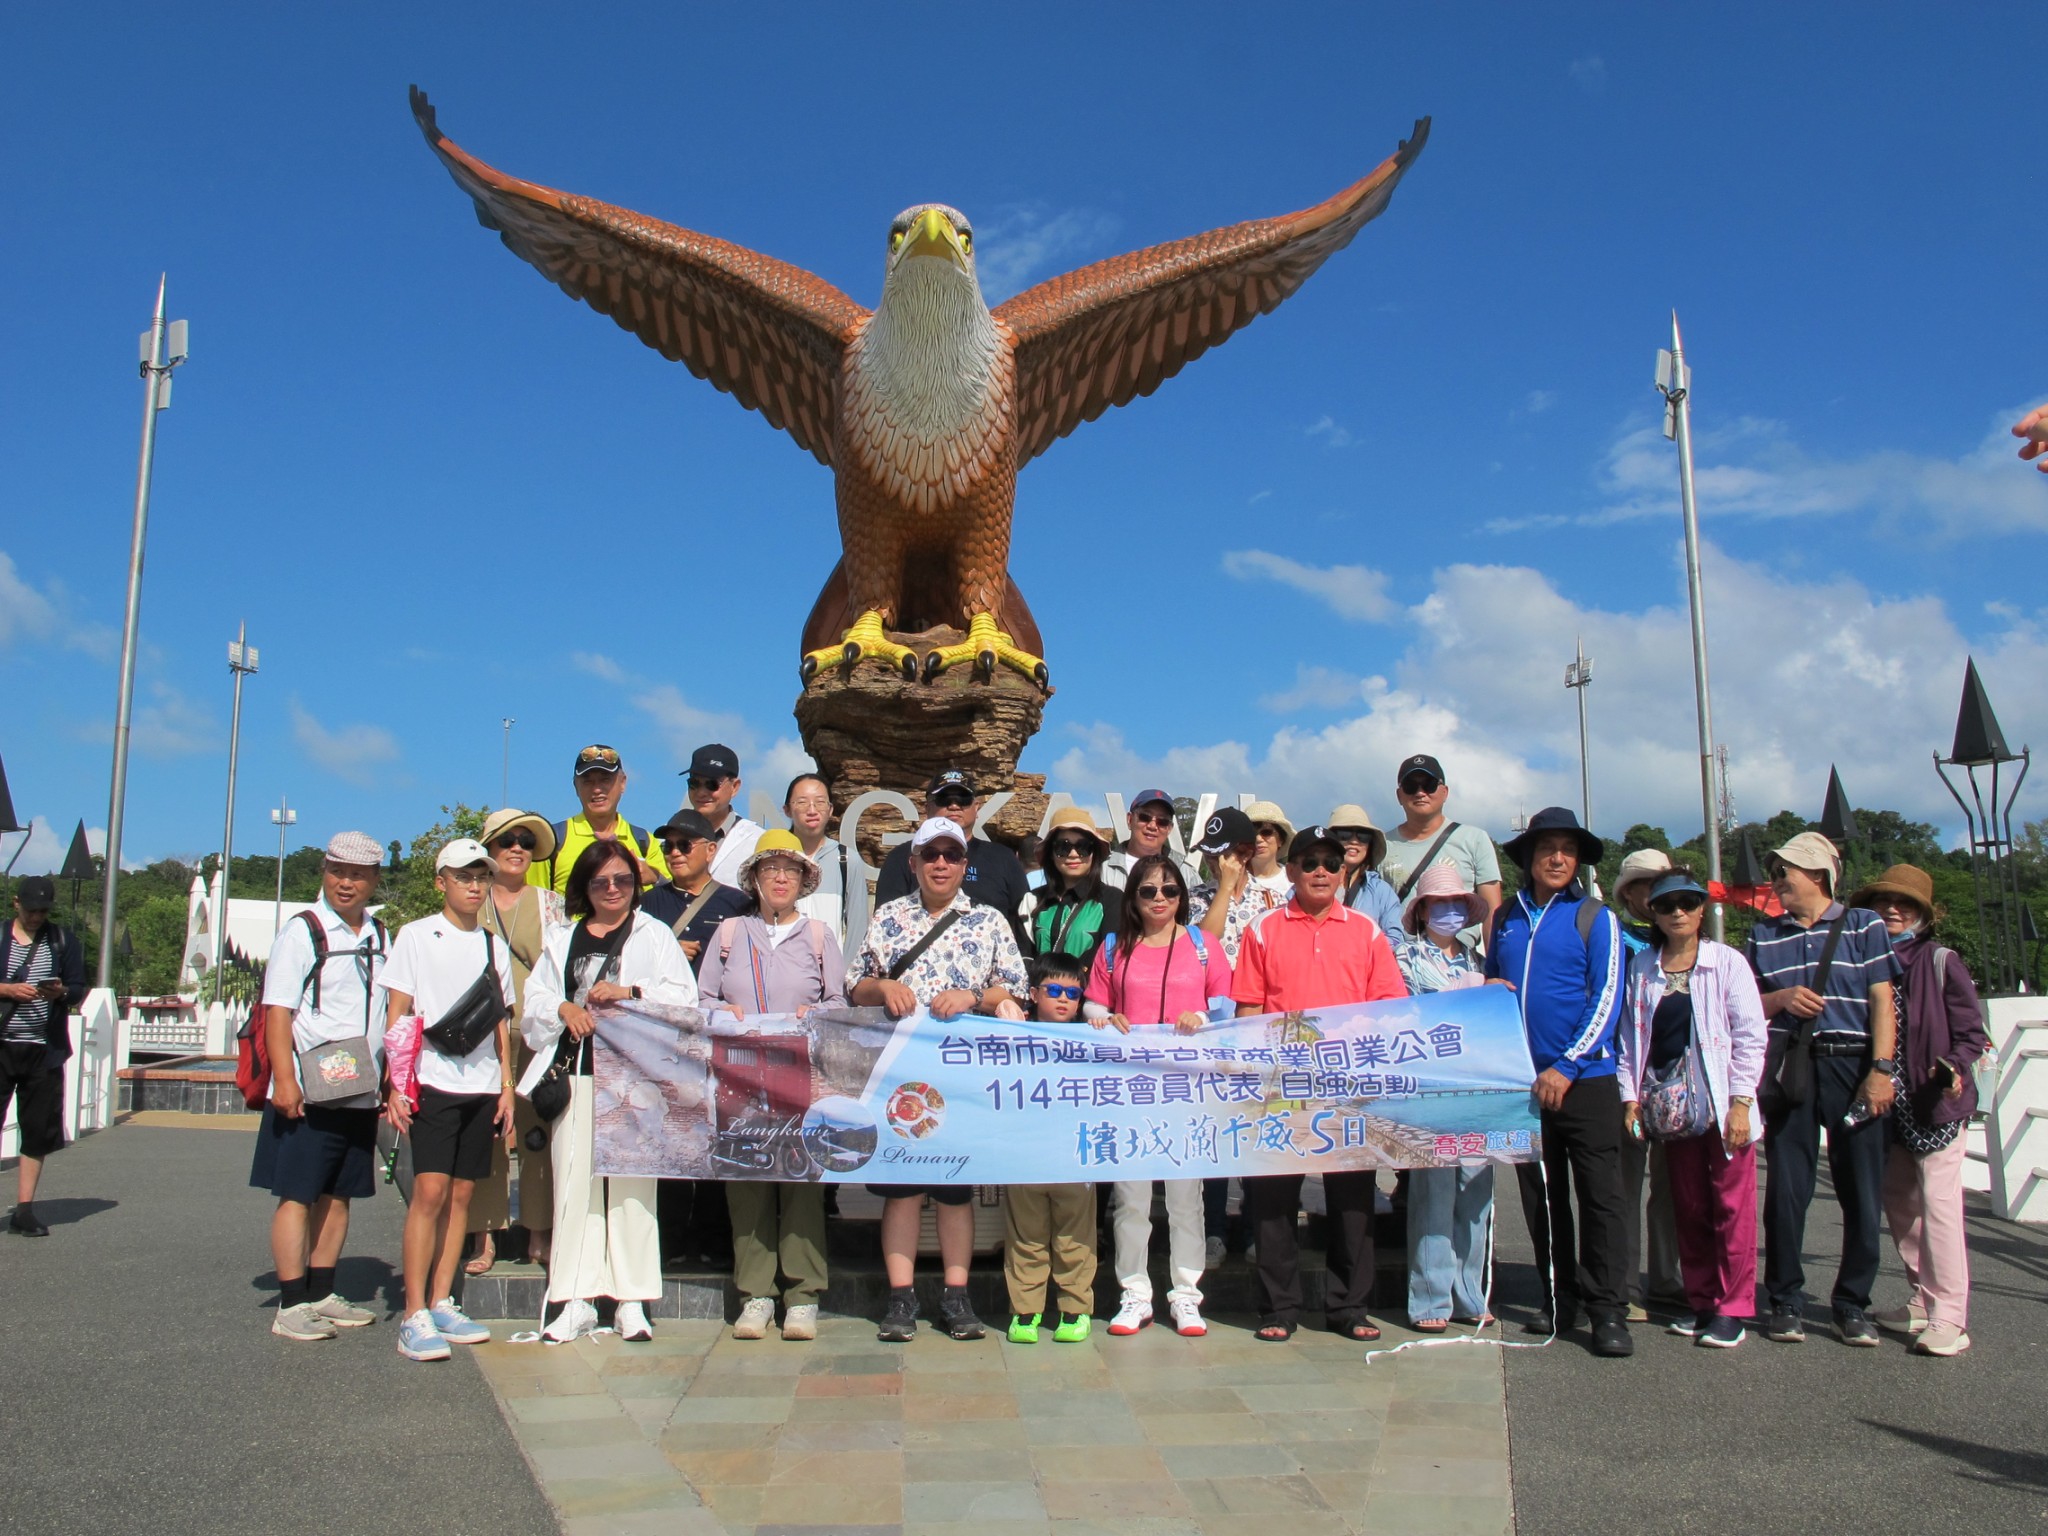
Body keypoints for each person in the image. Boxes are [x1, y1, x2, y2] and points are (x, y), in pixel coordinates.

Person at [847, 816, 1029, 1342]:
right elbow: (852, 987)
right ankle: (900, 1299)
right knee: (902, 1190)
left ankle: (957, 1296)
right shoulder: (888, 917)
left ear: (965, 864)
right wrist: (882, 988)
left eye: (952, 854)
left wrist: (974, 997)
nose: (941, 863)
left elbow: (1012, 989)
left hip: (960, 1077)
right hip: (899, 1076)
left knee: (953, 1190)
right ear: (914, 863)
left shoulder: (989, 920)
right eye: (931, 855)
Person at [1232, 826, 1407, 1343]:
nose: (1321, 872)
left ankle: (1349, 1306)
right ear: (1291, 870)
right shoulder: (1262, 929)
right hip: (1280, 1086)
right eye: (1310, 863)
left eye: (1332, 863)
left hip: (1347, 1084)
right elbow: (1248, 1009)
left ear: (1345, 871)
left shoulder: (1367, 931)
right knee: (1272, 1200)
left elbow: (1388, 1008)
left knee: (1352, 1200)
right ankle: (1278, 1308)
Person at [521, 840, 699, 1344]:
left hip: (634, 1080)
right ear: (586, 887)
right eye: (601, 881)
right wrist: (563, 1009)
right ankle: (575, 1297)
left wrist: (630, 992)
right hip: (576, 1073)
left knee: (633, 1188)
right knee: (573, 1185)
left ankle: (631, 1299)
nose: (613, 889)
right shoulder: (563, 936)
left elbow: (685, 1002)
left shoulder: (654, 934)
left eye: (622, 879)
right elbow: (534, 997)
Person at [1488, 807, 1633, 1358]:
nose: (1556, 858)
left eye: (1567, 850)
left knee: (1601, 1198)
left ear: (1578, 861)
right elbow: (1493, 989)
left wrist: (1568, 1065)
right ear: (1527, 857)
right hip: (1525, 1084)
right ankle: (1558, 1297)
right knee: (1543, 1199)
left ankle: (1607, 1310)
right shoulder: (1505, 918)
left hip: (1586, 1080)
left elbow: (1607, 997)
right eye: (1545, 847)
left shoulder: (1596, 918)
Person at [1748, 831, 1899, 1347]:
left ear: (1816, 874)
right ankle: (1785, 1299)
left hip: (1853, 1064)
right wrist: (1782, 998)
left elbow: (1883, 1001)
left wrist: (1882, 1070)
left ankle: (1852, 1303)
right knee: (1788, 1190)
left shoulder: (1864, 925)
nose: (1776, 882)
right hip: (1791, 1065)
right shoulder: (1763, 935)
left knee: (1862, 1190)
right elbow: (1748, 1006)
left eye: (1784, 871)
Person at [698, 830, 848, 1342]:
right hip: (738, 1073)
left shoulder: (818, 935)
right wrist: (723, 1010)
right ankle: (756, 1293)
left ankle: (803, 1296)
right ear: (755, 879)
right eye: (770, 869)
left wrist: (816, 1013)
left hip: (799, 1073)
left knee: (801, 1181)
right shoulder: (729, 934)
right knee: (747, 1182)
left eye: (790, 870)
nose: (780, 878)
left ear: (804, 881)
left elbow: (839, 1003)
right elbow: (701, 1001)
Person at [381, 839, 519, 1362]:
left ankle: (442, 1299)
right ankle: (413, 1310)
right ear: (442, 881)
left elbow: (501, 1020)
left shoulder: (492, 945)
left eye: (480, 876)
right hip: (433, 1080)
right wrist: (397, 1084)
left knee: (462, 1196)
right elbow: (399, 1013)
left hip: (481, 1085)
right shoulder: (416, 935)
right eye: (463, 876)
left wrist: (506, 1086)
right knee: (430, 1193)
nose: (474, 885)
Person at [1616, 871, 1766, 1350]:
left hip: (1723, 1106)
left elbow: (1750, 1036)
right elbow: (1629, 1040)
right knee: (1689, 1205)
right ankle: (1702, 1300)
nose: (1677, 912)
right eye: (1667, 905)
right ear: (1653, 915)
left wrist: (1742, 1102)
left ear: (1702, 909)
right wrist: (1629, 1097)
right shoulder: (1642, 968)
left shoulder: (1727, 963)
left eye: (1687, 902)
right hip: (1671, 1108)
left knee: (1732, 1207)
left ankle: (1734, 1306)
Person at [1085, 853, 1233, 1338]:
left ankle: (1187, 1296)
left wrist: (1204, 1019)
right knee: (1130, 1198)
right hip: (1130, 1089)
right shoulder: (1113, 948)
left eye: (1169, 891)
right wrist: (1104, 1020)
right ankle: (1135, 1294)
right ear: (1133, 897)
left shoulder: (1203, 945)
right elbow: (1092, 1005)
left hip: (1187, 1087)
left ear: (1182, 898)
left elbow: (1227, 1005)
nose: (1159, 899)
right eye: (1148, 891)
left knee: (1186, 1197)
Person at [250, 832, 389, 1342]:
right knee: (298, 1193)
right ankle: (291, 1302)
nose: (345, 882)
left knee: (340, 1192)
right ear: (323, 872)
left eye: (357, 874)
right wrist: (285, 1081)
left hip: (359, 1084)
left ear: (375, 879)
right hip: (310, 1084)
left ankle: (323, 1290)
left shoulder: (380, 933)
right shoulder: (302, 932)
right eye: (336, 871)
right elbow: (278, 1010)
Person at [1851, 864, 1986, 1357]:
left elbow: (1973, 1032)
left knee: (1941, 1208)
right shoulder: (1865, 959)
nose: (1892, 909)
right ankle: (1923, 1299)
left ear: (1923, 914)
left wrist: (1954, 1064)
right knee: (1902, 1208)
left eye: (1904, 904)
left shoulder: (1939, 960)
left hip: (1936, 1104)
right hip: (1886, 1106)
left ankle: (1951, 1316)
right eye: (1884, 900)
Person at [1394, 864, 1495, 1333]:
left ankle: (1471, 1294)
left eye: (1458, 903)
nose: (1450, 911)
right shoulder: (1404, 958)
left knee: (1475, 1197)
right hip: (1430, 1089)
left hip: (1477, 1089)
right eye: (1441, 903)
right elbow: (1411, 1014)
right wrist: (1473, 994)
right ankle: (1431, 1299)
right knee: (1433, 1196)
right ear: (1423, 910)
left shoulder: (1479, 959)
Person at [465, 808, 566, 1274]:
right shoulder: (470, 900)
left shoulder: (552, 904)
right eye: (507, 841)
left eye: (526, 841)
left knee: (535, 1132)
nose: (518, 849)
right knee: (485, 1135)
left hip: (534, 1033)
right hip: (480, 1035)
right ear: (489, 849)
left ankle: (538, 1231)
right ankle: (483, 1234)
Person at [1004, 952, 1099, 1344]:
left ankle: (1075, 1309)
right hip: (1025, 1158)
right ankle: (1025, 1311)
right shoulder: (1009, 1037)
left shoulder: (1093, 1038)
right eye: (1054, 991)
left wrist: (1107, 1024)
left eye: (1072, 994)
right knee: (1026, 1237)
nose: (1063, 1000)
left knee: (1075, 1238)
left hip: (1074, 1159)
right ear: (1032, 993)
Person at [1608, 847, 1686, 1321]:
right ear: (1630, 893)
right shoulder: (1615, 937)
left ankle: (1668, 1278)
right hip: (1627, 1075)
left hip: (1678, 1080)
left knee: (1672, 1186)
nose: (1659, 898)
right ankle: (1623, 1284)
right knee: (1623, 1184)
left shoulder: (1688, 940)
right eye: (1647, 887)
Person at [0, 876, 86, 1237]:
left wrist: (61, 993)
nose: (37, 916)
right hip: (2, 1043)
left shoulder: (62, 940)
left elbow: (78, 988)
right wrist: (5, 989)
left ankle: (25, 1209)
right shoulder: (1, 937)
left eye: (44, 911)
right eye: (32, 909)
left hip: (43, 1049)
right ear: (16, 903)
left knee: (37, 1132)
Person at [872, 768, 1030, 927]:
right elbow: (885, 922)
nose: (954, 806)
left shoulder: (1003, 858)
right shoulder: (901, 857)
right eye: (944, 799)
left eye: (963, 799)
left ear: (976, 808)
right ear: (927, 808)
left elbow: (1024, 921)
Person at [1379, 754, 1503, 935]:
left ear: (1445, 792)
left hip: (1460, 957)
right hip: (1399, 956)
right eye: (1410, 786)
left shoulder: (1475, 839)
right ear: (1399, 795)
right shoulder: (1381, 845)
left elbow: (1493, 911)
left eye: (1429, 785)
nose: (1420, 793)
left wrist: (1493, 960)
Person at [530, 744, 668, 893]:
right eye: (587, 781)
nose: (597, 789)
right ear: (576, 786)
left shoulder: (646, 842)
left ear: (623, 783)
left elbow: (673, 900)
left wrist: (654, 877)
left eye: (605, 780)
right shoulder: (551, 841)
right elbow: (534, 902)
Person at [641, 808, 753, 972]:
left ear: (710, 850)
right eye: (668, 846)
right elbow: (631, 959)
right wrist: (668, 952)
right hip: (662, 997)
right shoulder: (648, 902)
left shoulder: (738, 903)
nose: (675, 853)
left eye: (684, 845)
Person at [1018, 808, 1122, 962]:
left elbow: (1110, 962)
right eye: (1063, 847)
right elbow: (1023, 957)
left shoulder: (1113, 900)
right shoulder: (1032, 899)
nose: (1073, 854)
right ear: (1051, 853)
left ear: (1094, 852)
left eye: (1083, 847)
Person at [1190, 806, 1286, 964]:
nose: (1213, 863)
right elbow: (1206, 942)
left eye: (1221, 855)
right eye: (1209, 855)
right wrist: (1225, 888)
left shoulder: (1273, 901)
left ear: (1246, 854)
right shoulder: (1195, 897)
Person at [783, 773, 854, 944]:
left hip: (830, 968)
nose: (812, 810)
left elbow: (856, 929)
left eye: (820, 802)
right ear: (787, 810)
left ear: (830, 809)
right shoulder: (775, 857)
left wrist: (846, 970)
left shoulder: (846, 859)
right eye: (802, 802)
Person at [683, 743, 764, 887]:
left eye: (712, 784)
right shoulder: (670, 838)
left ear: (735, 787)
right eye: (694, 783)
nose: (702, 792)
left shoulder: (757, 841)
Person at [1329, 802, 1402, 937]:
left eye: (1363, 836)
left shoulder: (1381, 891)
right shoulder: (1312, 881)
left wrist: (1365, 951)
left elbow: (1395, 937)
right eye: (1344, 834)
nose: (1354, 841)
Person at [1104, 788, 1197, 885]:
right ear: (1130, 820)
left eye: (1162, 821)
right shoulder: (1102, 869)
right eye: (1144, 817)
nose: (1152, 826)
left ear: (1169, 828)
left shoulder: (1186, 874)